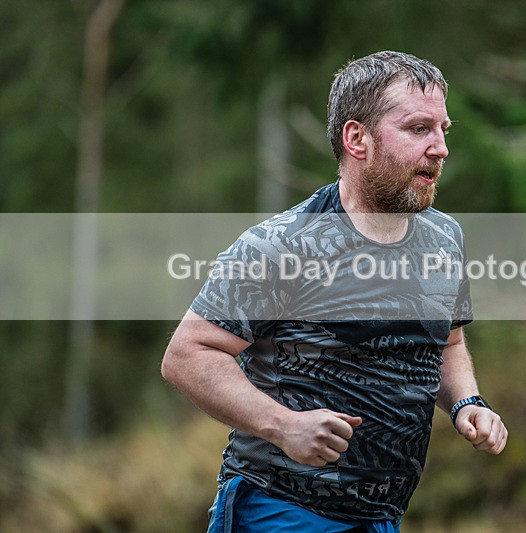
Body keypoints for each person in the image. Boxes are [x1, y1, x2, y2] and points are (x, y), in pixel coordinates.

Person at [161, 50, 508, 532]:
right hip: (281, 509)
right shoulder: (284, 244)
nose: (440, 148)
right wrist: (283, 426)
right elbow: (188, 355)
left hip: (383, 516)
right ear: (356, 138)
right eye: (417, 129)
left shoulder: (443, 238)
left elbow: (446, 343)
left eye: (443, 130)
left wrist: (468, 402)